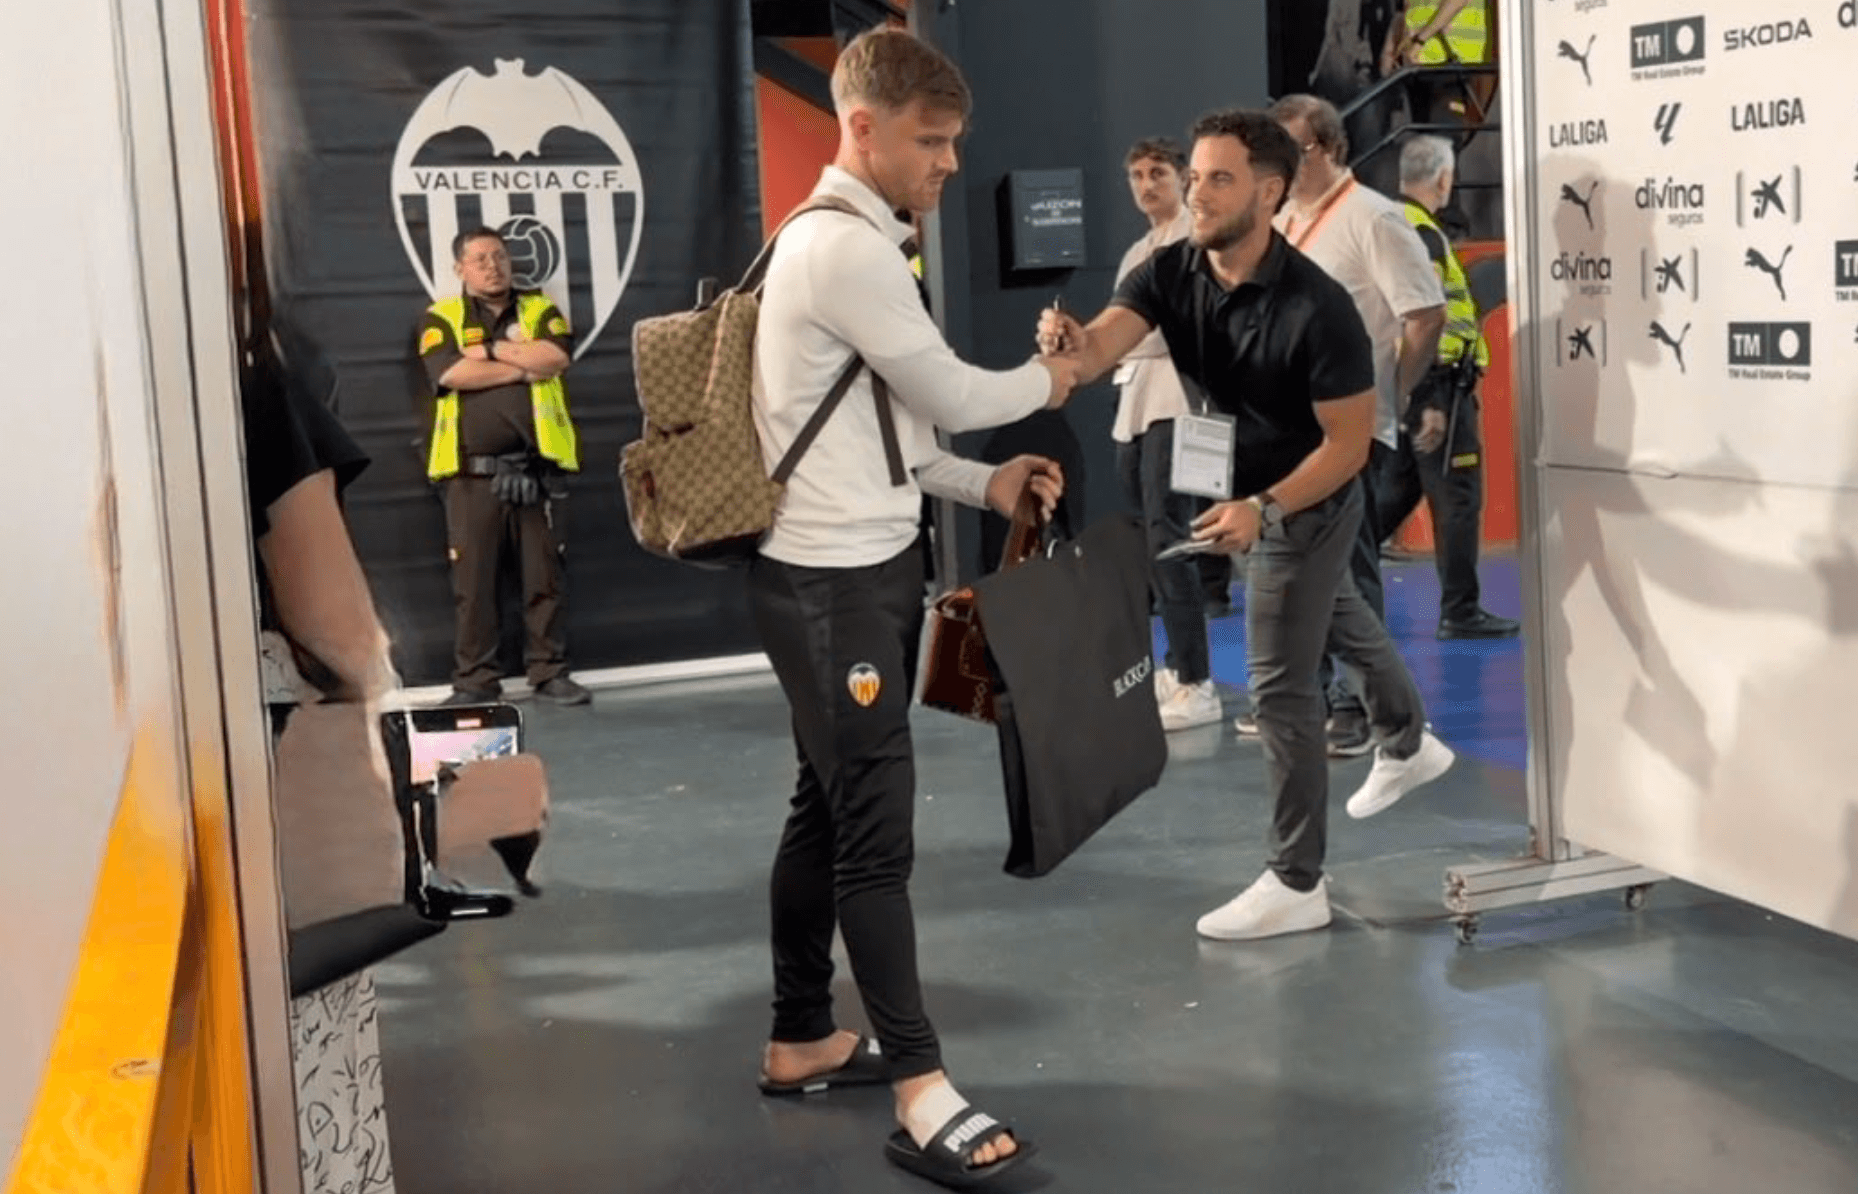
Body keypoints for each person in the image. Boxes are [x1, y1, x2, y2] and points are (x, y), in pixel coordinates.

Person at [748, 27, 1079, 1190]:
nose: (948, 163)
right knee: (875, 835)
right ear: (862, 127)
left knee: (827, 807)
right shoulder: (845, 250)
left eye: (952, 142)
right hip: (834, 588)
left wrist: (987, 485)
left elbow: (900, 436)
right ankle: (922, 1090)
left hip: (851, 576)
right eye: (930, 141)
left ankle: (801, 1035)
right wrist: (1061, 377)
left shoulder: (841, 242)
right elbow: (955, 392)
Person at [1038, 108, 1453, 942]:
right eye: (1194, 176)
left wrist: (1263, 508)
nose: (1196, 193)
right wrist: (1069, 343)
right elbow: (1096, 353)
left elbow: (1346, 449)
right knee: (1338, 613)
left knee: (1278, 683)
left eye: (1218, 179)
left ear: (1269, 194)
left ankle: (1297, 880)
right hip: (1240, 482)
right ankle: (1409, 739)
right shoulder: (1169, 271)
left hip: (1309, 491)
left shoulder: (1320, 309)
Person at [1266, 94, 1445, 756]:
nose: (1283, 165)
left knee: (1346, 568)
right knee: (1292, 565)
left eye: (1295, 151)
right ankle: (1314, 697)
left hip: (1349, 424)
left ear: (1331, 147)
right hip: (1288, 425)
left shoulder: (1373, 218)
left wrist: (1391, 392)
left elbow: (1424, 314)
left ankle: (1366, 708)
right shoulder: (1283, 220)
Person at [418, 228, 591, 707]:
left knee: (544, 579)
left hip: (537, 469)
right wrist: (523, 365)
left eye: (499, 256)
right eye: (479, 259)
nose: (492, 266)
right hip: (471, 476)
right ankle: (474, 682)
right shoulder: (443, 317)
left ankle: (550, 673)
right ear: (460, 269)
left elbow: (555, 357)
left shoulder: (540, 310)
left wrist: (491, 351)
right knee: (473, 586)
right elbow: (450, 372)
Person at [1384, 135, 1519, 639]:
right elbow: (1424, 319)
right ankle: (1460, 610)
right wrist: (1432, 397)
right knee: (1458, 500)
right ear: (1444, 178)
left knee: (1395, 492)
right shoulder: (1421, 233)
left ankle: (1336, 576)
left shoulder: (1398, 224)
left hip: (1417, 387)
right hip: (1438, 389)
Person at [1109, 135, 1221, 732]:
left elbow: (1166, 328)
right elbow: (1122, 327)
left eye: (1157, 173)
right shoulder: (1138, 251)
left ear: (1182, 177)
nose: (1146, 185)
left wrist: (1121, 339)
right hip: (1136, 403)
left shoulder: (1195, 243)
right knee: (1149, 539)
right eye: (1136, 175)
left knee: (1170, 538)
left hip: (1180, 404)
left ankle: (1198, 681)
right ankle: (1178, 666)